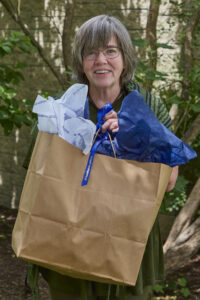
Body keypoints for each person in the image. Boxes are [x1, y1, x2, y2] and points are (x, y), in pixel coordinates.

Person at [24, 15, 178, 300]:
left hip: (126, 245)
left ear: (125, 58)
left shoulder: (148, 105)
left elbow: (168, 181)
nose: (101, 60)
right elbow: (37, 171)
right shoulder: (63, 108)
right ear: (81, 61)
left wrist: (134, 135)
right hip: (68, 241)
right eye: (91, 52)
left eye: (110, 51)